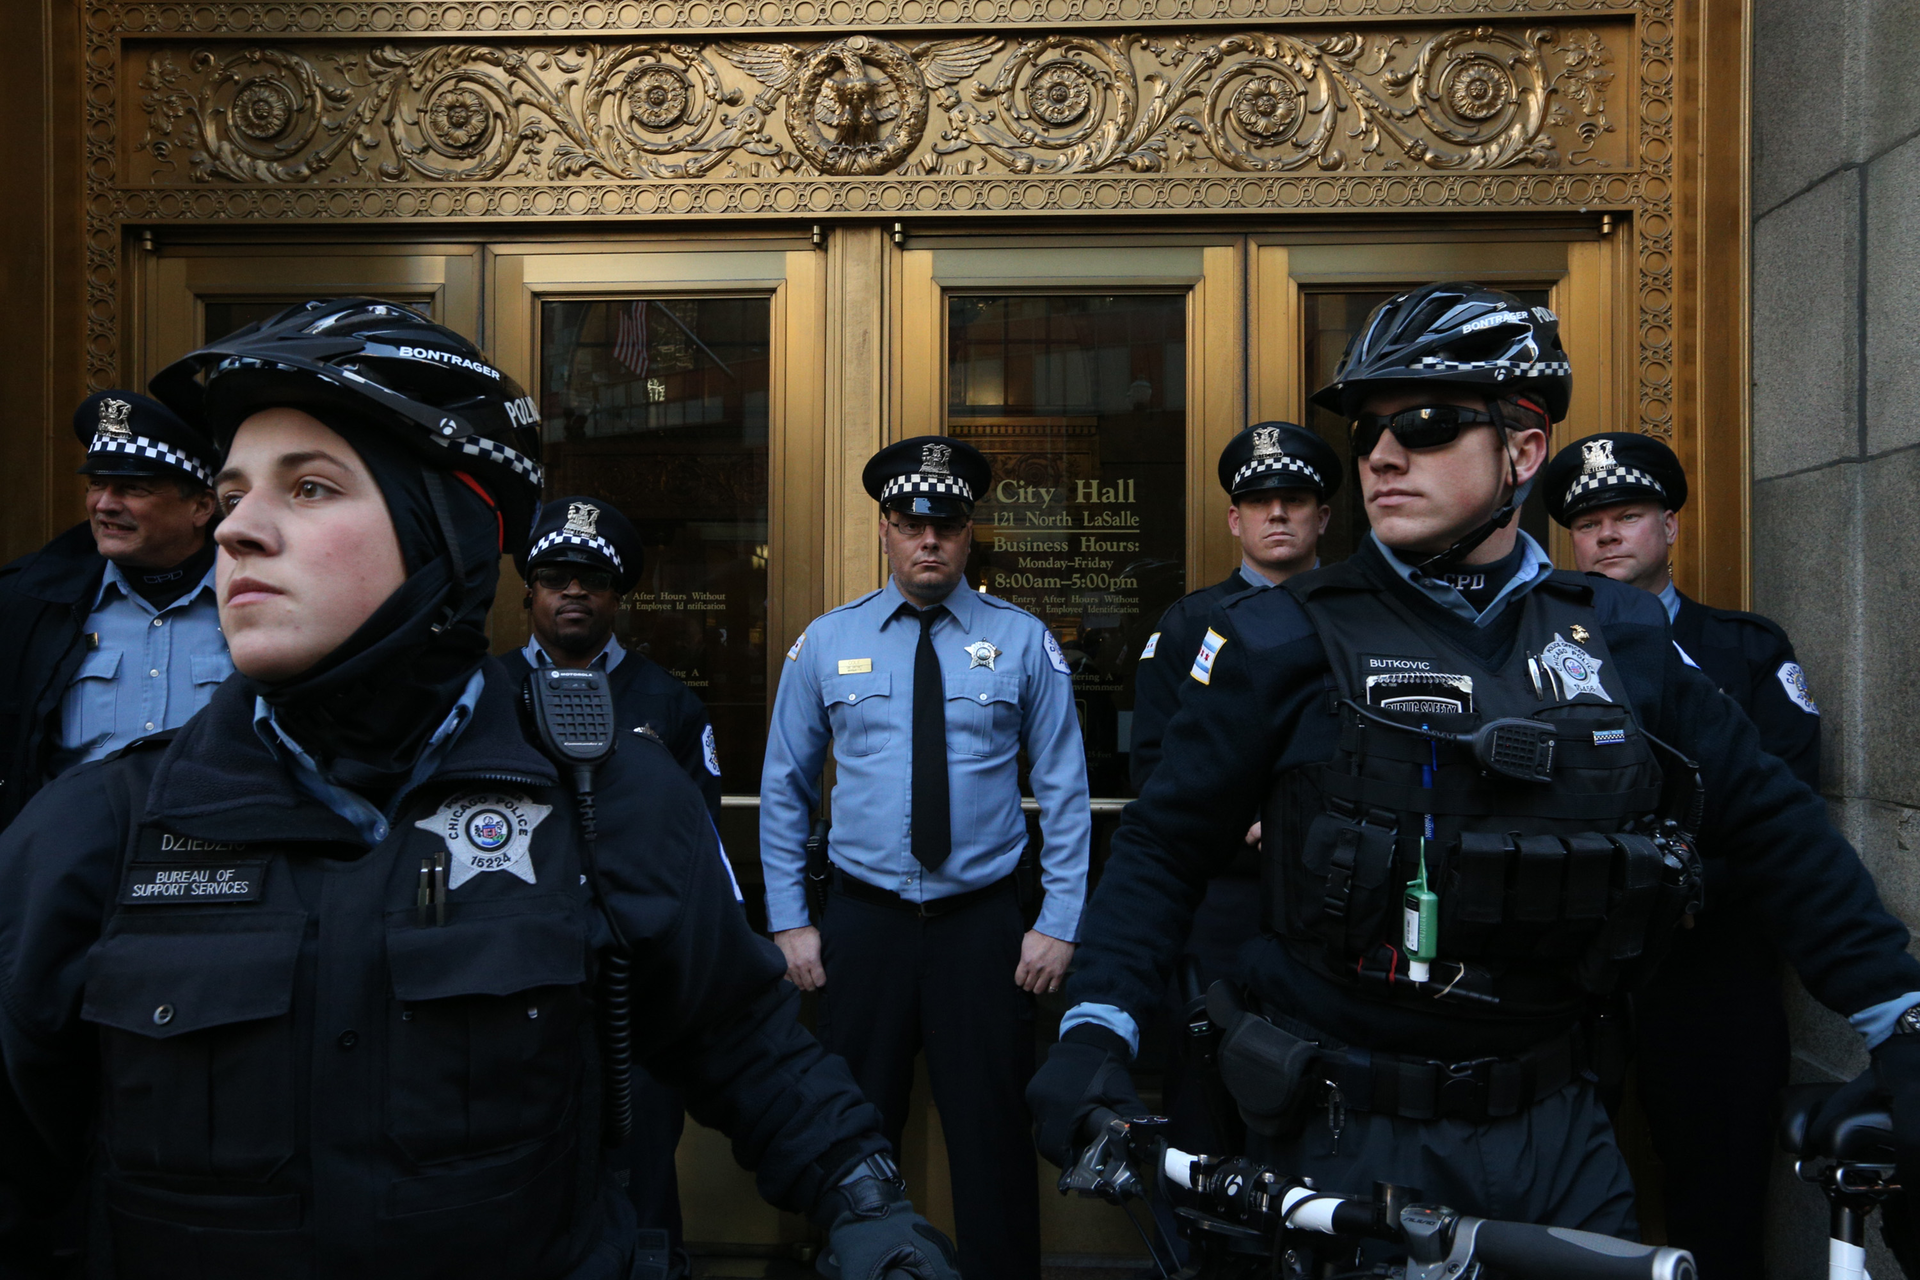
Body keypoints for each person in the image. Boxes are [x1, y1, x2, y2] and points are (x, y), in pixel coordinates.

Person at [0, 299, 959, 1280]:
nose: (238, 530)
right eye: (234, 491)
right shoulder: (96, 830)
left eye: (311, 487)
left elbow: (747, 1045)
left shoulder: (605, 800)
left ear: (448, 533)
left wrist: (868, 1203)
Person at [1025, 282, 1920, 1238]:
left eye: (1427, 421)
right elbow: (1164, 847)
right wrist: (1098, 1027)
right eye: (1368, 431)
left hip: (1559, 1131)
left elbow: (1774, 824)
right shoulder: (1283, 637)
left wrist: (1896, 1018)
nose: (1381, 454)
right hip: (1341, 1138)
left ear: (1524, 450)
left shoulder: (1618, 636)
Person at [759, 435, 1092, 1280]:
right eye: (912, 524)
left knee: (991, 1135)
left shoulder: (1021, 643)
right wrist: (792, 920)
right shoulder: (828, 644)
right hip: (862, 926)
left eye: (945, 524)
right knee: (851, 1132)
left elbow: (1063, 791)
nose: (929, 541)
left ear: (969, 531)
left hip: (984, 929)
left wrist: (1057, 923)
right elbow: (786, 790)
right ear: (885, 530)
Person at [1545, 431, 1818, 1274]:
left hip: (1708, 971)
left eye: (1627, 515)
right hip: (1562, 970)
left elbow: (1785, 809)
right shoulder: (1525, 654)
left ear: (1670, 526)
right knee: (1551, 1198)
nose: (1608, 537)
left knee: (1720, 1201)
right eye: (1589, 524)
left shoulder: (1744, 649)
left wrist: (1677, 888)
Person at [497, 494, 727, 1279]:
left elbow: (702, 853)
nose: (573, 593)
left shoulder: (667, 703)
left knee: (642, 1179)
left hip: (637, 987)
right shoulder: (481, 698)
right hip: (511, 980)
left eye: (592, 580)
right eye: (555, 576)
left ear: (617, 594)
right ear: (527, 589)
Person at [1129, 421, 1340, 1157]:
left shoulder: (1362, 623)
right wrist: (1239, 823)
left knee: (1326, 1099)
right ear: (1234, 519)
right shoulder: (1190, 625)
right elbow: (1153, 770)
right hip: (1222, 906)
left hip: (1332, 908)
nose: (1276, 513)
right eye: (1258, 501)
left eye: (1293, 499)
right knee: (1205, 1101)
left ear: (1324, 517)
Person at [0, 390, 227, 826]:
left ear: (201, 506)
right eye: (97, 484)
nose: (104, 504)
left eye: (132, 488)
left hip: (220, 868)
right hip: (74, 867)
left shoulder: (261, 597)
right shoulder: (30, 604)